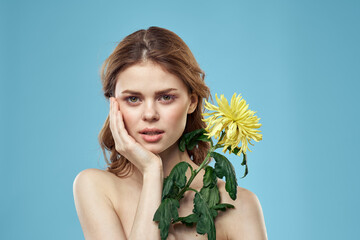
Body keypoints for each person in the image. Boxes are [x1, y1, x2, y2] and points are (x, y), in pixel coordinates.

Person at [73, 26, 267, 240]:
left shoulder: (239, 205)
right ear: (114, 105)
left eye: (165, 97)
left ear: (192, 101)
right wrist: (151, 171)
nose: (149, 114)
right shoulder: (96, 187)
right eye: (133, 99)